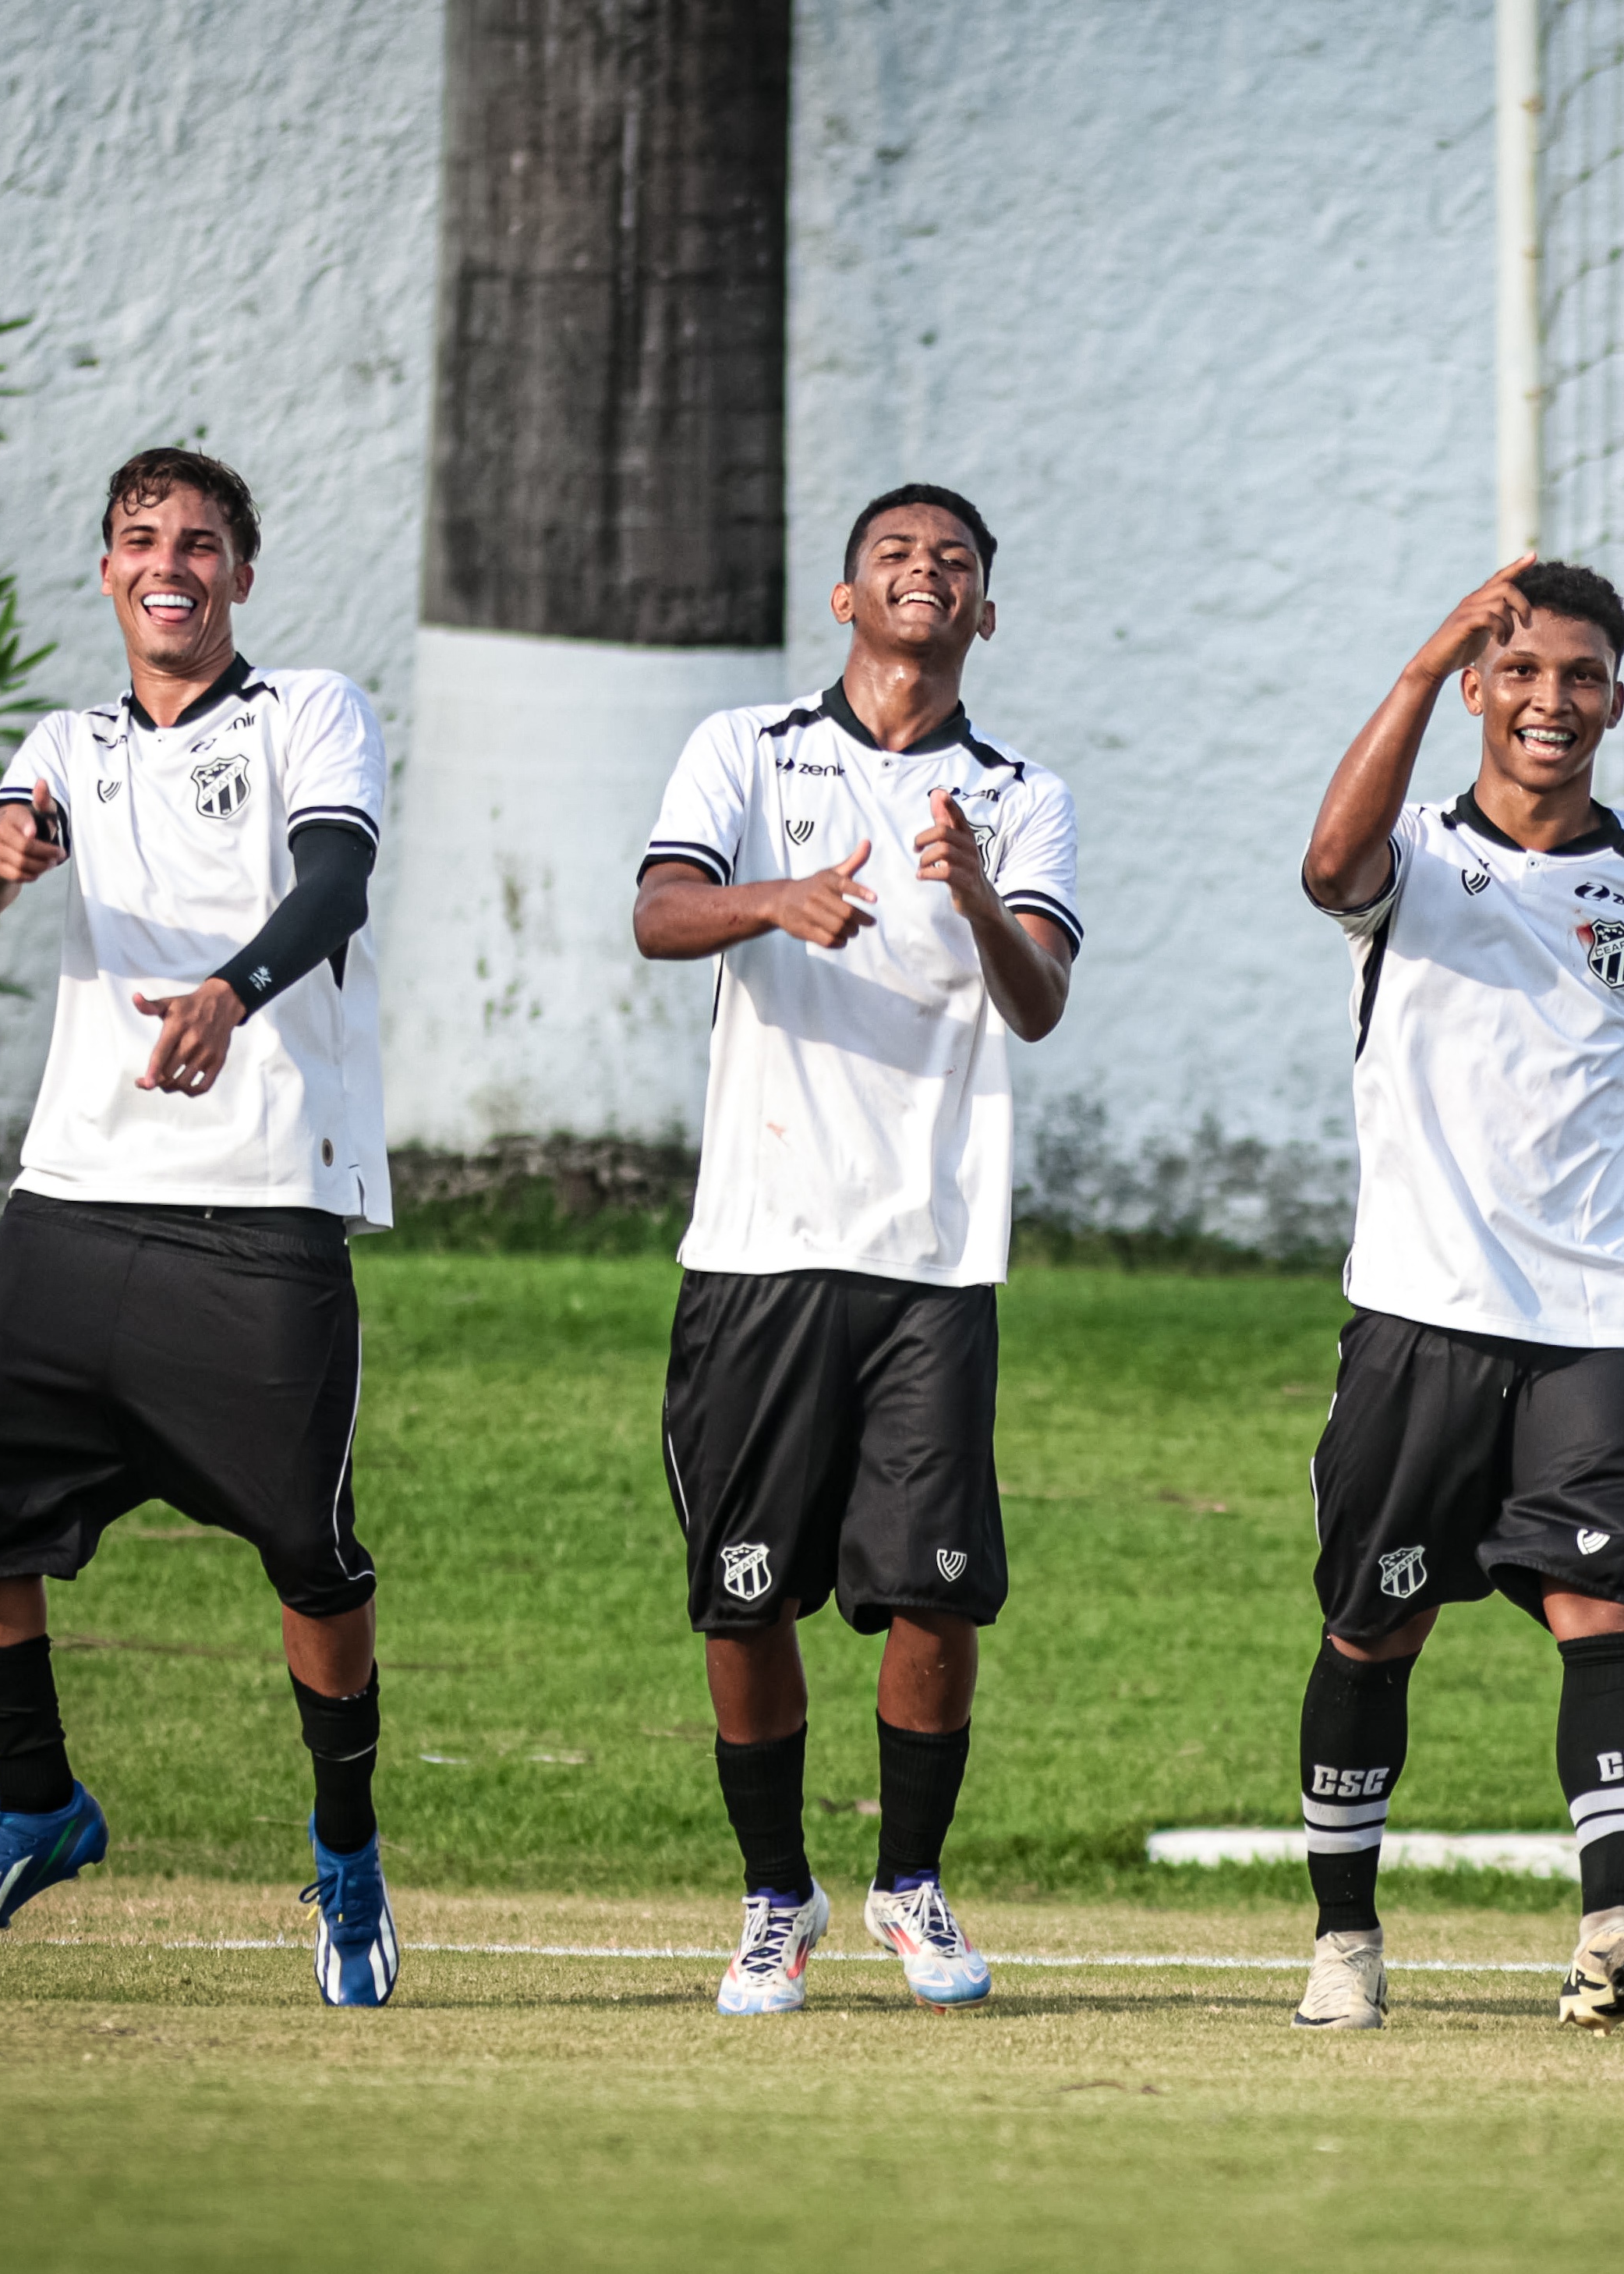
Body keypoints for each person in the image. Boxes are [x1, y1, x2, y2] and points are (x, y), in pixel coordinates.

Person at [0, 448, 402, 2005]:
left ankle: (344, 1860)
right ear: (108, 570)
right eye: (140, 539)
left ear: (240, 574)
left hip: (260, 1211)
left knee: (310, 1555)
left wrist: (228, 994)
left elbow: (334, 889)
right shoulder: (66, 740)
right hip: (70, 1204)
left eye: (199, 542)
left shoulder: (309, 710)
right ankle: (43, 1807)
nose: (168, 560)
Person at [632, 483, 1081, 2016]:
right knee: (744, 1593)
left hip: (934, 1255)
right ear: (845, 597)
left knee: (939, 1593)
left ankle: (910, 1884)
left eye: (954, 563)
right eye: (896, 555)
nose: (925, 576)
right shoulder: (747, 752)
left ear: (985, 613)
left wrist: (969, 896)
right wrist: (779, 901)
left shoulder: (1022, 794)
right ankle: (775, 1898)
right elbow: (659, 911)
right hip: (759, 1246)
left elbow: (1040, 1003)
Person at [1287, 557, 1624, 2031]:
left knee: (1607, 1612)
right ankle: (1344, 1940)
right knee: (1374, 1628)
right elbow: (1323, 872)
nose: (1552, 701)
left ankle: (1611, 1931)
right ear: (1478, 686)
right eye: (1521, 671)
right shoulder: (1407, 853)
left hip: (1600, 1322)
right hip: (1418, 1312)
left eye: (1581, 675)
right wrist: (1413, 666)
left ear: (1615, 694)